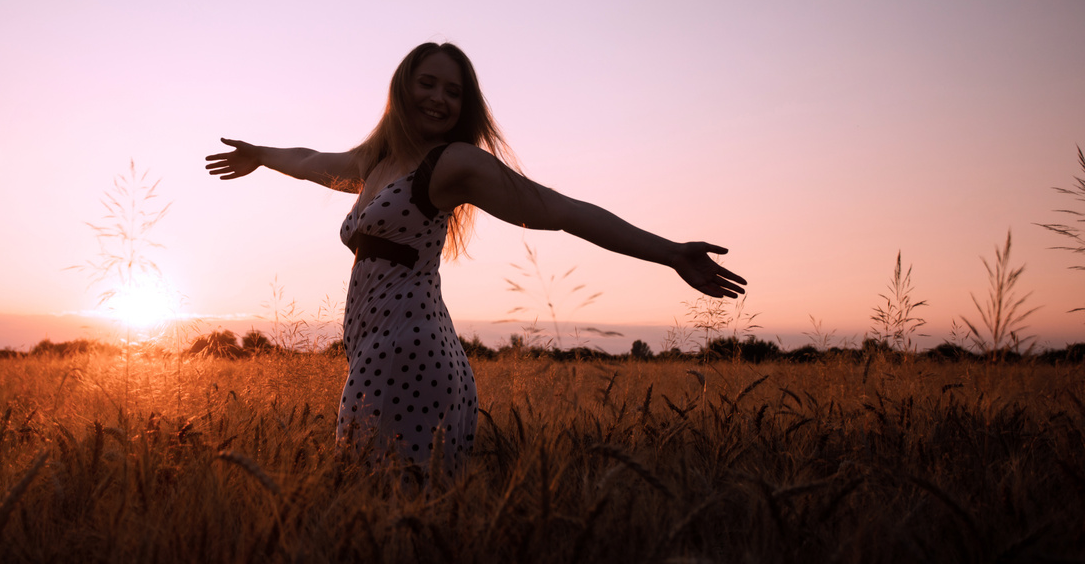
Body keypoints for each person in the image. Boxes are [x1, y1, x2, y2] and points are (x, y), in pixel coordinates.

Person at [205, 42, 744, 475]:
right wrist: (261, 156)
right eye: (428, 83)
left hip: (410, 353)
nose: (440, 98)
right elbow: (310, 160)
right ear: (402, 88)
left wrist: (670, 253)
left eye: (454, 92)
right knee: (378, 500)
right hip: (374, 349)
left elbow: (560, 210)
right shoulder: (378, 160)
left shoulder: (454, 163)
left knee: (391, 499)